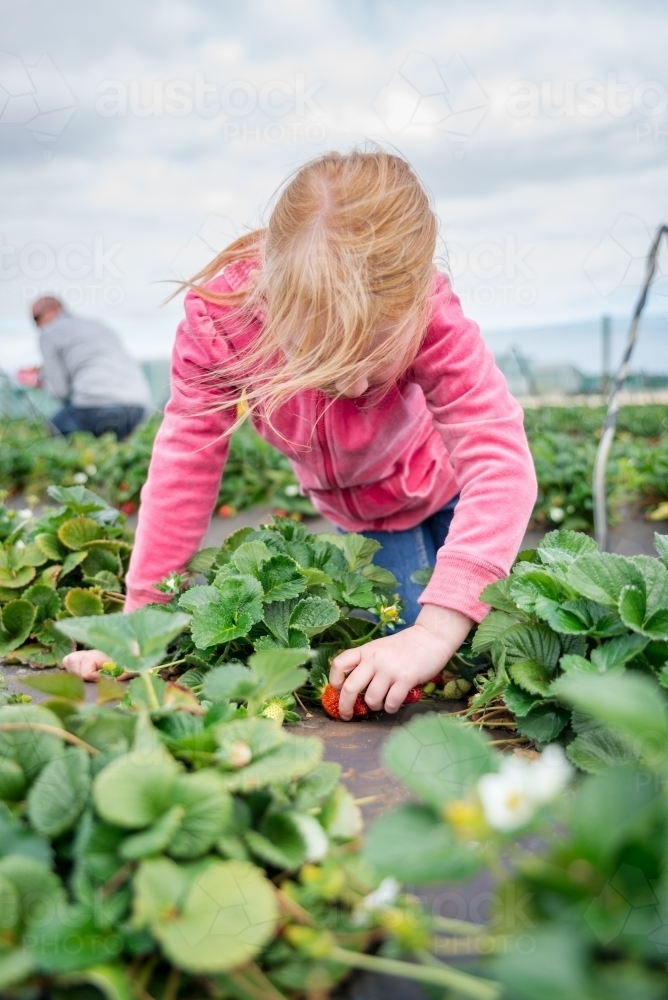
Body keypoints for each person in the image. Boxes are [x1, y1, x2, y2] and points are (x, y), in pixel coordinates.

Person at [63, 150, 537, 720]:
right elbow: (184, 464)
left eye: (375, 356)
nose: (357, 381)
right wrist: (144, 622)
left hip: (449, 481)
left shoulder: (433, 316)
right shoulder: (223, 324)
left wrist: (437, 631)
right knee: (395, 652)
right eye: (326, 359)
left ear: (414, 302)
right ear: (279, 306)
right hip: (370, 514)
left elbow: (498, 460)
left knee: (455, 637)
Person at [31, 296, 151, 439]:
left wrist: (40, 380)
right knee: (115, 453)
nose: (37, 326)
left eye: (36, 318)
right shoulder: (97, 325)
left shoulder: (48, 334)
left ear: (52, 310)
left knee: (56, 426)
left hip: (99, 408)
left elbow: (59, 392)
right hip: (138, 408)